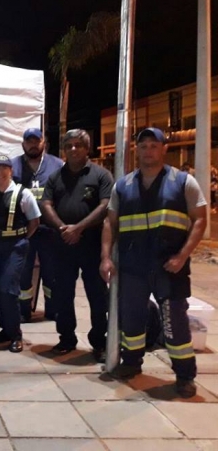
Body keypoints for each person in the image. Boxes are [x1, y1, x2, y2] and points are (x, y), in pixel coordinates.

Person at [100, 127, 207, 398]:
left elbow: (200, 219)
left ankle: (184, 375)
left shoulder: (183, 182)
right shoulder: (123, 186)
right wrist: (106, 258)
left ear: (164, 149)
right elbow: (110, 224)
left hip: (169, 267)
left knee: (175, 323)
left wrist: (182, 256)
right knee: (132, 319)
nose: (148, 150)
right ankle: (131, 362)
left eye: (154, 145)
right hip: (133, 267)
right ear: (137, 150)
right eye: (143, 145)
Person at [41, 129, 113, 361]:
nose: (73, 149)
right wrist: (64, 228)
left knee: (97, 296)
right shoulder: (55, 177)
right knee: (62, 294)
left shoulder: (101, 175)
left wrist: (79, 228)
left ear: (87, 148)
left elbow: (106, 205)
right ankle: (66, 339)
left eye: (78, 145)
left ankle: (99, 342)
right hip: (62, 245)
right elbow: (46, 204)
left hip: (92, 244)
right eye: (69, 145)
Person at [0, 155, 41, 352]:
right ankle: (5, 329)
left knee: (8, 290)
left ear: (11, 171)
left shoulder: (24, 194)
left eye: (4, 168)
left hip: (15, 247)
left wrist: (20, 238)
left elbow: (34, 221)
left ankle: (15, 335)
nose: (0, 172)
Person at [11, 128, 64, 321]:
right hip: (24, 230)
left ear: (44, 142)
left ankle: (53, 310)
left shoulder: (58, 165)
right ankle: (23, 311)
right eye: (29, 141)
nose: (33, 145)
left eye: (37, 141)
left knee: (52, 273)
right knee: (23, 273)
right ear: (23, 144)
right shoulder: (13, 166)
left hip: (50, 231)